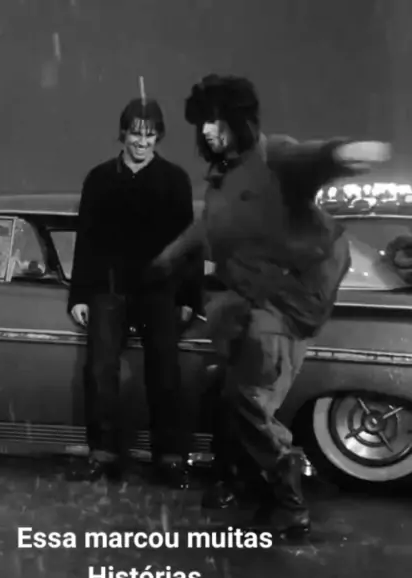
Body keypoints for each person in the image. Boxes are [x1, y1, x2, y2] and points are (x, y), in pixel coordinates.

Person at [151, 74, 391, 536]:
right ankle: (248, 482)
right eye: (202, 123)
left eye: (216, 121)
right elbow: (208, 227)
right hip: (256, 297)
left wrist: (340, 155)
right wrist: (167, 259)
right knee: (226, 390)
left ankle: (289, 499)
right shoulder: (224, 179)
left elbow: (308, 159)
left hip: (290, 298)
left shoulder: (272, 157)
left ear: (239, 121)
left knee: (247, 398)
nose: (207, 131)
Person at [68, 97, 202, 488]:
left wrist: (189, 299)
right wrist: (79, 296)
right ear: (123, 133)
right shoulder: (99, 178)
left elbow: (188, 245)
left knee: (165, 374)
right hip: (109, 290)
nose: (142, 142)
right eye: (135, 134)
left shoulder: (174, 180)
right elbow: (86, 240)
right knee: (100, 372)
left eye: (150, 135)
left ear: (159, 136)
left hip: (159, 291)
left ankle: (170, 458)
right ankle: (103, 454)